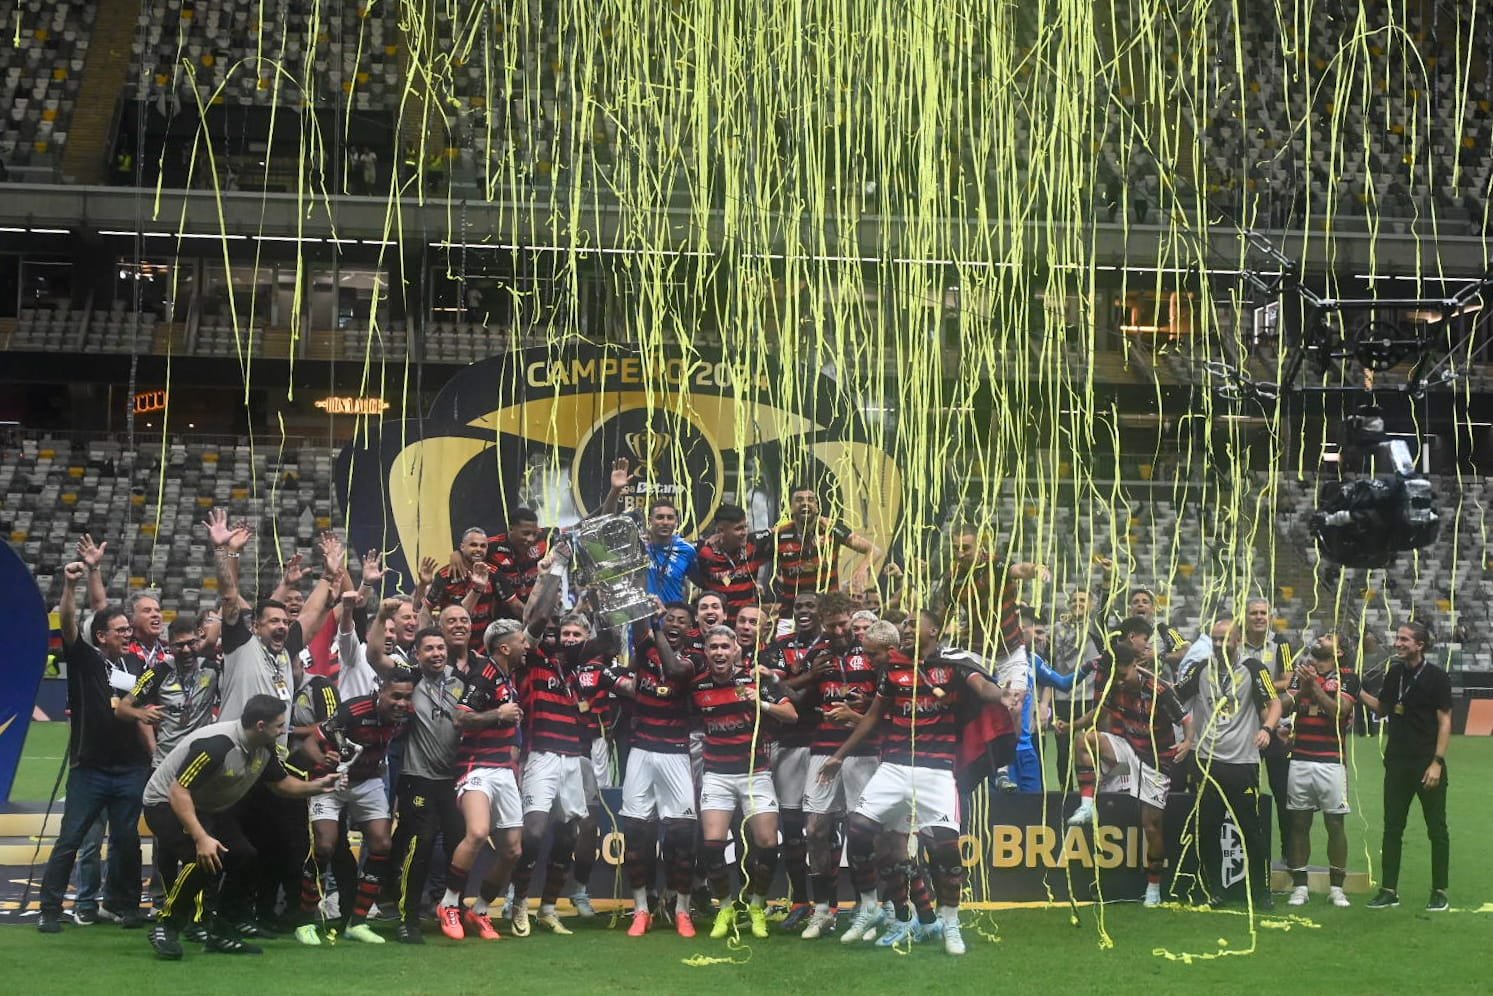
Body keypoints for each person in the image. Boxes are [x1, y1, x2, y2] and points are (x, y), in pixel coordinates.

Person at [819, 620, 1014, 956]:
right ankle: (870, 906)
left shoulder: (952, 665)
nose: (906, 628)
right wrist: (839, 755)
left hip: (936, 771)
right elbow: (872, 717)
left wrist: (1003, 693)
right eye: (904, 623)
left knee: (945, 851)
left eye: (914, 623)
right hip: (893, 767)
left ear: (934, 631)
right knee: (860, 829)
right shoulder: (892, 669)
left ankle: (948, 921)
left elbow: (983, 688)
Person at [143, 696, 339, 959]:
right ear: (260, 725)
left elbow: (281, 784)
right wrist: (201, 837)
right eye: (279, 725)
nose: (284, 731)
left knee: (245, 856)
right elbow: (178, 792)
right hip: (164, 803)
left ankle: (222, 931)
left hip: (207, 806)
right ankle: (167, 926)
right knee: (200, 857)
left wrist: (318, 786)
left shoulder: (263, 747)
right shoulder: (218, 745)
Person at [37, 563, 151, 934]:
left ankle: (127, 905)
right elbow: (68, 622)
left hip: (130, 766)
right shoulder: (86, 659)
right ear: (101, 636)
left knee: (127, 840)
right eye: (120, 631)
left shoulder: (134, 662)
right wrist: (71, 585)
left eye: (127, 630)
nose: (126, 634)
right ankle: (50, 908)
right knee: (71, 838)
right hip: (91, 767)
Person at [1062, 639, 1191, 906]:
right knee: (1085, 739)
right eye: (1114, 677)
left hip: (1157, 763)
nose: (1119, 682)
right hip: (1128, 755)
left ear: (1136, 665)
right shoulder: (1113, 685)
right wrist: (1069, 725)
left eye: (1123, 675)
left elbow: (1186, 720)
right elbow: (1097, 713)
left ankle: (1153, 887)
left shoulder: (1159, 689)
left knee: (1151, 826)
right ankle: (1087, 805)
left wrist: (1188, 742)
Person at [291, 669, 415, 945]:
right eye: (395, 696)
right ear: (380, 691)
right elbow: (310, 744)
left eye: (406, 697)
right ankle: (305, 922)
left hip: (368, 781)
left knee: (382, 844)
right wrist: (326, 759)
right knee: (324, 846)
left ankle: (357, 923)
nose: (401, 703)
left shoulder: (408, 714)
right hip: (330, 779)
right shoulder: (353, 711)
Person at [691, 626, 797, 939]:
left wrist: (760, 703)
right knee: (711, 844)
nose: (720, 653)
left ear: (736, 650)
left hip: (755, 773)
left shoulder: (755, 680)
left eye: (726, 646)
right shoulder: (697, 686)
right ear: (706, 652)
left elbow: (791, 714)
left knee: (767, 843)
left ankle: (756, 905)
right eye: (714, 647)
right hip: (717, 775)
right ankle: (724, 908)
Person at [603, 608, 700, 937]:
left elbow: (673, 668)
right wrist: (645, 605)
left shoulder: (695, 657)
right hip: (642, 751)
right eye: (669, 619)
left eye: (681, 621)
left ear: (692, 628)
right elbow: (639, 619)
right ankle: (642, 909)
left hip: (675, 753)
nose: (673, 624)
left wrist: (657, 626)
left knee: (682, 834)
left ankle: (682, 909)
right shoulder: (645, 647)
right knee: (636, 833)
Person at [1174, 615, 1281, 909]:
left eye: (1225, 639)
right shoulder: (1200, 669)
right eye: (1215, 639)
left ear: (1237, 640)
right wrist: (1186, 736)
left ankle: (1261, 892)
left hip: (1242, 764)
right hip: (1207, 762)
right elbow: (1173, 696)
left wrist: (1267, 728)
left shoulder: (1253, 668)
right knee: (1207, 830)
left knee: (1251, 831)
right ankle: (1215, 891)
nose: (1220, 644)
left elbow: (1275, 703)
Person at [438, 618, 527, 941]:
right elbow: (461, 717)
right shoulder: (485, 674)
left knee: (513, 851)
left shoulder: (508, 675)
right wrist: (497, 715)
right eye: (521, 641)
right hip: (476, 766)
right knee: (477, 832)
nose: (527, 645)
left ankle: (481, 909)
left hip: (504, 769)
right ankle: (448, 904)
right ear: (505, 647)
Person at [799, 591, 878, 940]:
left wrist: (858, 712)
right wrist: (803, 677)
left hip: (864, 750)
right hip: (823, 749)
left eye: (843, 624)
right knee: (816, 830)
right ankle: (822, 910)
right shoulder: (817, 653)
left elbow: (886, 707)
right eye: (831, 627)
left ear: (852, 617)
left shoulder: (873, 652)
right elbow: (800, 698)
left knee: (864, 831)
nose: (839, 632)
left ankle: (870, 907)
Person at [1356, 621, 1452, 911]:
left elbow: (1445, 722)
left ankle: (1439, 890)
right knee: (1392, 828)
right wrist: (1357, 691)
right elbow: (1383, 709)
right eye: (1398, 638)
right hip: (1396, 763)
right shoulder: (1394, 673)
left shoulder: (1436, 677)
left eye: (1404, 639)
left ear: (1419, 645)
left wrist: (1437, 762)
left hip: (1426, 763)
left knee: (1436, 829)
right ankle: (1389, 890)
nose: (1398, 643)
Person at [391, 627, 467, 943]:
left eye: (440, 648)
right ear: (417, 654)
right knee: (419, 846)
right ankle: (407, 918)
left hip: (453, 779)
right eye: (429, 649)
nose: (436, 653)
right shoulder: (410, 682)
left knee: (458, 847)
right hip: (417, 777)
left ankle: (451, 909)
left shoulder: (461, 682)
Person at [1281, 632, 1358, 908]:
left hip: (1331, 761)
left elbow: (1340, 711)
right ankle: (1300, 886)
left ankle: (1337, 887)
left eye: (1329, 638)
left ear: (1338, 652)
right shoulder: (1301, 672)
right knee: (1299, 823)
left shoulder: (1348, 677)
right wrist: (1303, 687)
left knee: (1335, 823)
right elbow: (1282, 705)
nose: (1322, 638)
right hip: (1300, 758)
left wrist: (1313, 687)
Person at [764, 593, 826, 931]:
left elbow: (796, 687)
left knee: (825, 827)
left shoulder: (832, 644)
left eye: (810, 607)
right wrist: (812, 675)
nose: (803, 612)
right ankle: (800, 900)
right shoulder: (777, 646)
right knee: (791, 828)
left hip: (827, 745)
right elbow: (787, 695)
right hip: (789, 743)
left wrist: (790, 679)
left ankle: (829, 904)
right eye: (798, 607)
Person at [1240, 597, 1296, 861]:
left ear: (1270, 617)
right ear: (1245, 617)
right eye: (1254, 613)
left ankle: (1289, 850)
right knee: (1245, 790)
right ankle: (1246, 850)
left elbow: (1288, 678)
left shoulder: (1280, 643)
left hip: (1272, 724)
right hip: (1242, 727)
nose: (1259, 617)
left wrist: (1257, 684)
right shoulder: (1235, 642)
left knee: (1282, 789)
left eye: (1263, 613)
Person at [771, 484, 880, 617]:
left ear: (817, 508)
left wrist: (861, 569)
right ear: (791, 508)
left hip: (827, 610)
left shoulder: (831, 529)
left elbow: (874, 550)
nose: (805, 503)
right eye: (799, 500)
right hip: (791, 611)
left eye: (810, 500)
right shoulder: (780, 534)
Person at [691, 503, 774, 622]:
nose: (744, 532)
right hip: (717, 624)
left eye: (745, 527)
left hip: (746, 623)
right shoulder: (703, 551)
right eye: (738, 529)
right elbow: (675, 547)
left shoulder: (754, 544)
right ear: (720, 531)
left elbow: (781, 531)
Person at [426, 528, 502, 635]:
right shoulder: (445, 575)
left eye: (483, 546)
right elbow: (426, 608)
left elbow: (512, 603)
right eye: (473, 545)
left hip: (483, 644)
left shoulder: (493, 572)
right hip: (452, 640)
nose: (478, 549)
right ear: (462, 547)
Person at [486, 507, 550, 612]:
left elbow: (567, 531)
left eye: (534, 534)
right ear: (511, 529)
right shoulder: (492, 546)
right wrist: (457, 555)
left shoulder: (545, 538)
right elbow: (470, 550)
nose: (530, 539)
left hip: (537, 610)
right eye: (526, 533)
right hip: (504, 613)